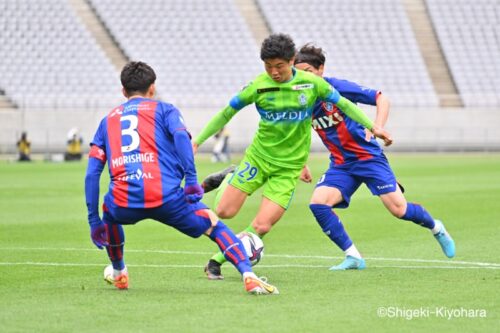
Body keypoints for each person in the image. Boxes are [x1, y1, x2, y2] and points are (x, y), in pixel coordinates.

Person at [192, 33, 392, 279]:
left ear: (291, 61)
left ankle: (222, 257)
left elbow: (346, 105)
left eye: (279, 66)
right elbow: (226, 114)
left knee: (263, 226)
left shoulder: (312, 84)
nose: (274, 72)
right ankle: (228, 178)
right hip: (259, 159)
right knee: (223, 212)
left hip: (288, 169)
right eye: (268, 66)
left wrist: (374, 127)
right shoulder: (258, 85)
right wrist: (198, 141)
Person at [84, 61, 278, 295]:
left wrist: (94, 220)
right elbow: (180, 137)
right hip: (168, 198)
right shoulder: (166, 110)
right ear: (152, 88)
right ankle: (249, 275)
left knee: (110, 214)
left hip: (125, 201)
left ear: (123, 91)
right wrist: (192, 179)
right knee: (215, 227)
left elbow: (93, 172)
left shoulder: (107, 121)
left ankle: (118, 272)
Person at [293, 44, 455, 270]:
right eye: (298, 72)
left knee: (399, 210)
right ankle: (354, 257)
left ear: (321, 69)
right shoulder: (300, 97)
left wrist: (377, 126)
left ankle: (436, 227)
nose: (302, 77)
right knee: (318, 204)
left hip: (368, 158)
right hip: (341, 164)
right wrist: (301, 162)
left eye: (307, 71)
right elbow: (297, 131)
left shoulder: (337, 87)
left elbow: (381, 98)